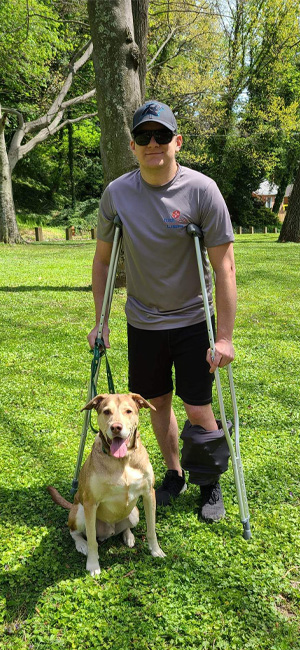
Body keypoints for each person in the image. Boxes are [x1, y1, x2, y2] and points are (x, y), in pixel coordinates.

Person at [88, 100, 236, 522]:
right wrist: (101, 322)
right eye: (143, 137)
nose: (152, 144)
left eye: (161, 135)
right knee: (156, 404)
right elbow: (102, 261)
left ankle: (209, 483)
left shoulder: (202, 190)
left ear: (177, 141)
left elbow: (223, 265)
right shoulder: (117, 193)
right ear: (133, 146)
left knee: (198, 406)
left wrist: (223, 336)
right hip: (143, 321)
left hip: (193, 318)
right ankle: (173, 474)